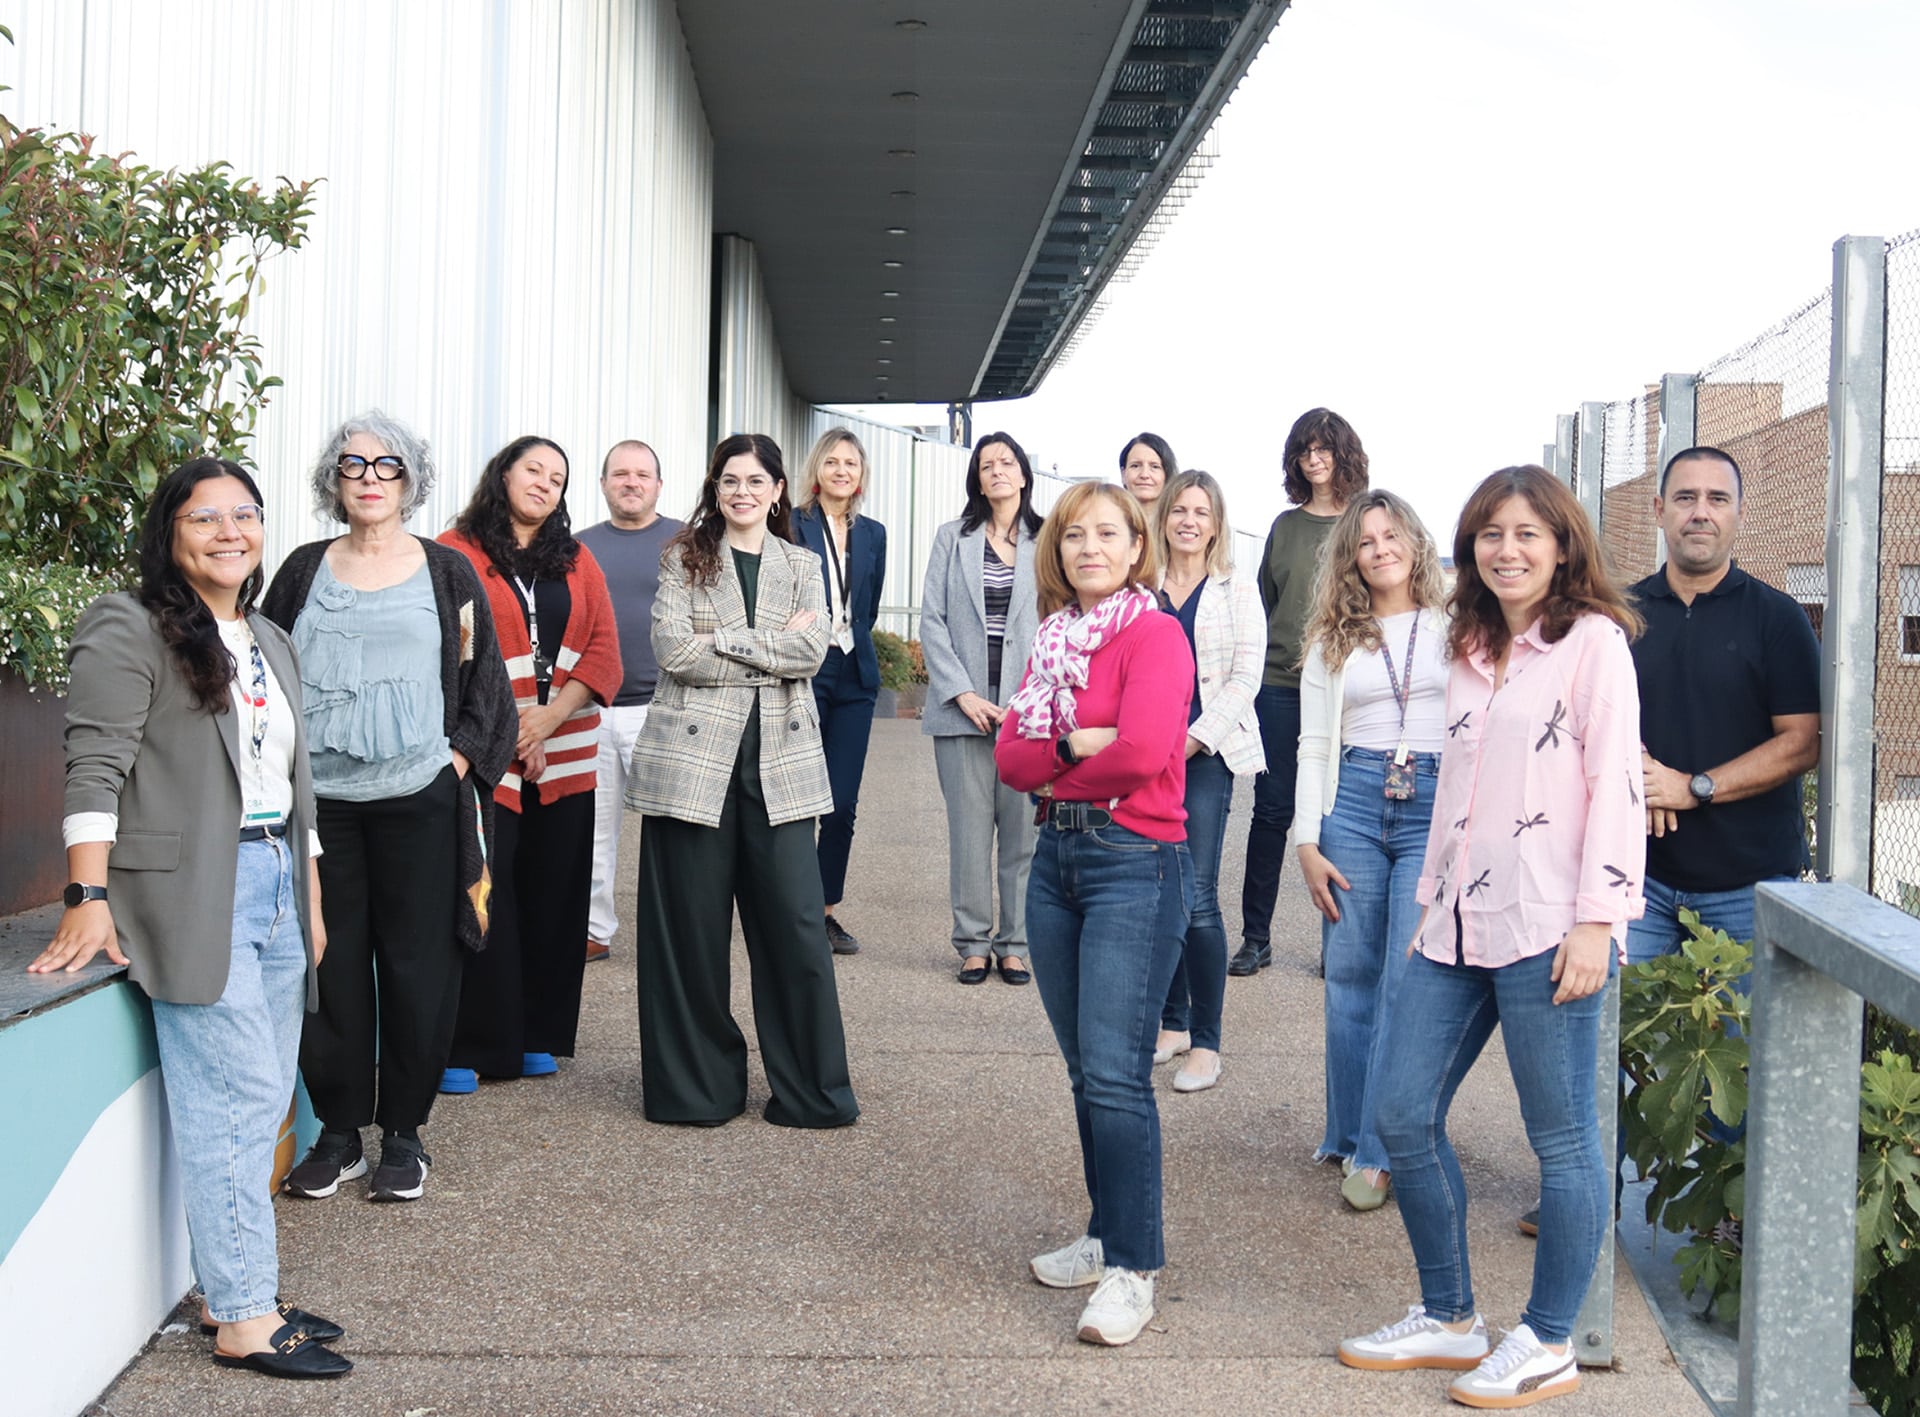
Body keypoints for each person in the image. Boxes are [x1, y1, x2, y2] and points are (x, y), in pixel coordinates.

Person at [30, 459, 350, 1378]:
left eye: (244, 513)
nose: (228, 531)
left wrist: (312, 903)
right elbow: (94, 764)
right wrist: (88, 896)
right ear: (168, 531)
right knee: (234, 1099)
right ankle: (246, 1315)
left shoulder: (268, 636)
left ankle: (229, 1284)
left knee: (263, 1091)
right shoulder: (127, 626)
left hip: (278, 879)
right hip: (191, 889)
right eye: (203, 516)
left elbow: (298, 787)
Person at [1338, 466, 1643, 1410]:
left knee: (1561, 1140)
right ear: (1468, 548)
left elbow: (1618, 788)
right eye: (1489, 534)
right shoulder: (1467, 647)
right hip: (1453, 920)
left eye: (1527, 533)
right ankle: (1451, 1315)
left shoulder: (1594, 644)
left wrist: (1599, 920)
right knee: (1399, 1113)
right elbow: (1452, 797)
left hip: (1550, 924)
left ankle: (1548, 1339)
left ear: (1562, 545)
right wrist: (1428, 903)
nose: (1507, 549)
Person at [263, 412, 516, 1203]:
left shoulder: (447, 572)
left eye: (387, 465)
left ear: (411, 480)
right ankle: (338, 1134)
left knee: (418, 963)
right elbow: (264, 668)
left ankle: (404, 1133)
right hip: (322, 807)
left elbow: (487, 682)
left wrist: (459, 758)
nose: (370, 477)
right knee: (328, 961)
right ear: (334, 481)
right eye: (353, 465)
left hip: (419, 799)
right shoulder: (303, 570)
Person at [997, 481, 1194, 1347]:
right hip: (1058, 864)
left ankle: (1134, 1267)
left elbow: (1148, 751)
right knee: (1087, 1071)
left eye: (1107, 533)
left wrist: (1054, 765)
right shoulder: (1050, 641)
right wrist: (1076, 747)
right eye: (1074, 535)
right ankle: (1106, 1232)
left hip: (1134, 864)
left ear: (1136, 546)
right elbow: (1008, 756)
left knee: (1117, 1074)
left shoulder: (1155, 635)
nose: (1089, 547)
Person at [624, 433, 858, 1128]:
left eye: (757, 480)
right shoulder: (683, 556)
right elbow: (673, 650)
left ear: (780, 489)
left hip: (779, 765)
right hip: (693, 768)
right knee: (688, 936)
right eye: (730, 480)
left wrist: (723, 642)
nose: (743, 491)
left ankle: (813, 1091)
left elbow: (811, 651)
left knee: (794, 931)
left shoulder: (804, 563)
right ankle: (696, 1089)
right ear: (715, 486)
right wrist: (769, 649)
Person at [437, 436, 622, 1089]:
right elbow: (453, 649)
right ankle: (469, 1044)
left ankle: (536, 1033)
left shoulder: (576, 560)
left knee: (554, 893)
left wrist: (548, 719)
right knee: (486, 894)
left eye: (558, 477)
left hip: (566, 750)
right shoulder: (455, 553)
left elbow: (602, 651)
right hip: (489, 752)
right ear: (503, 473)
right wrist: (515, 727)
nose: (545, 483)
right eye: (534, 469)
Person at [1294, 491, 1449, 1212]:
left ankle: (1382, 1151)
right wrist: (1306, 839)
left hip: (1432, 801)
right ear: (1350, 557)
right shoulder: (1334, 637)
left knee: (1403, 976)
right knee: (1349, 974)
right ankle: (1349, 1131)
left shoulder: (1459, 628)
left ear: (1415, 543)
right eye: (1366, 540)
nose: (1381, 548)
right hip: (1353, 799)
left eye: (1392, 535)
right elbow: (1314, 743)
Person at [1232, 408, 1370, 975]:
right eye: (1304, 451)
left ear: (1343, 454)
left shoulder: (1364, 521)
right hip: (1280, 685)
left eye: (1323, 449)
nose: (1314, 459)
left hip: (1346, 690)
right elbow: (1266, 605)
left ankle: (1337, 944)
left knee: (1340, 815)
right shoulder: (1285, 528)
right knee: (1272, 812)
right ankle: (1255, 938)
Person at [1149, 471, 1264, 1094]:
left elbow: (1246, 677)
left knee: (1195, 897)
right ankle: (1172, 1023)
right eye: (1180, 510)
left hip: (1204, 756)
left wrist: (1191, 739)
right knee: (1157, 889)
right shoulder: (1141, 585)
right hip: (1143, 758)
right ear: (1164, 517)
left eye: (1202, 511)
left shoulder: (1236, 589)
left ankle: (1208, 1043)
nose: (1189, 520)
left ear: (1216, 523)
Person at [919, 431, 1043, 984]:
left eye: (1006, 462)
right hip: (961, 708)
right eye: (986, 463)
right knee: (970, 834)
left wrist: (1028, 699)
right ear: (977, 477)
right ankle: (972, 942)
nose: (996, 470)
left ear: (1023, 475)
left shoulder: (1050, 540)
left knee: (1022, 835)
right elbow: (932, 621)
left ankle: (1015, 943)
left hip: (1029, 713)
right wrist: (963, 692)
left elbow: (1063, 622)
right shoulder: (953, 538)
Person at [577, 438, 683, 965]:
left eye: (643, 474)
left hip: (663, 708)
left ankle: (681, 930)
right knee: (593, 830)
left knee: (674, 831)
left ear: (658, 485)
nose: (631, 482)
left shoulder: (688, 541)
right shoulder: (577, 548)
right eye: (620, 474)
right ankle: (594, 929)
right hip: (590, 709)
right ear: (603, 484)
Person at [791, 426, 889, 956]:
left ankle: (826, 909)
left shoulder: (873, 532)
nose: (842, 470)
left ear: (861, 475)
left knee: (842, 801)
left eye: (851, 463)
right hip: (805, 668)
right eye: (832, 462)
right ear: (818, 470)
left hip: (855, 672)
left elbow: (868, 606)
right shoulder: (791, 523)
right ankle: (789, 906)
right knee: (795, 797)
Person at [1119, 431, 1178, 511]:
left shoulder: (1180, 521)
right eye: (1135, 466)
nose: (1144, 475)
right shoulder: (1110, 519)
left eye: (1155, 467)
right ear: (1123, 474)